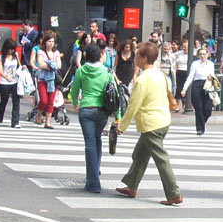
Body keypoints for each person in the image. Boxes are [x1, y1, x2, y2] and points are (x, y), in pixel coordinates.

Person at [114, 42, 182, 206]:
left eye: (137, 55)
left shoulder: (142, 80)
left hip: (151, 124)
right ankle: (131, 185)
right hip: (162, 120)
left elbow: (133, 106)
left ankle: (174, 193)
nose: (135, 58)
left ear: (144, 58)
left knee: (160, 159)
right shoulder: (160, 75)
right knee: (140, 154)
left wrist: (121, 126)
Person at [69, 43, 112, 193]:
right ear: (100, 55)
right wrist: (118, 115)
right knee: (97, 139)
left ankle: (93, 182)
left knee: (90, 144)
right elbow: (114, 92)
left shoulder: (81, 71)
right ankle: (96, 169)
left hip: (86, 109)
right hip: (102, 111)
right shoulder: (107, 72)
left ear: (86, 56)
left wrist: (75, 103)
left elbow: (74, 91)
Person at [182, 46, 216, 135]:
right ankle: (200, 128)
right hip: (197, 85)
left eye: (204, 54)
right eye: (200, 54)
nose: (202, 56)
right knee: (199, 107)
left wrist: (211, 77)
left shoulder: (211, 64)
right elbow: (190, 77)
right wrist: (184, 89)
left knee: (208, 108)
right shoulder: (195, 64)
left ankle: (202, 122)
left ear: (208, 54)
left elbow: (213, 75)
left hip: (208, 85)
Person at [31, 31, 58, 129]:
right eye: (49, 41)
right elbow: (40, 64)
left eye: (52, 41)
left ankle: (47, 122)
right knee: (44, 100)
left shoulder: (56, 53)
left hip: (53, 79)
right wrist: (51, 65)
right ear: (45, 42)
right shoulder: (40, 52)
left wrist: (49, 65)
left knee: (51, 101)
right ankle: (38, 114)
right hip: (42, 79)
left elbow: (58, 65)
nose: (51, 43)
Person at [0, 38, 21, 128]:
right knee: (4, 100)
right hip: (4, 82)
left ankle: (15, 122)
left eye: (13, 49)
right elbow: (0, 70)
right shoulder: (1, 58)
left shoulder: (16, 56)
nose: (12, 51)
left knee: (16, 101)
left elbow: (19, 66)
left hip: (15, 81)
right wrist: (6, 77)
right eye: (10, 49)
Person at [174, 38, 190, 113]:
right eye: (183, 46)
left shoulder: (192, 53)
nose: (184, 48)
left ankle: (185, 104)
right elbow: (171, 56)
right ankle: (177, 105)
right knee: (178, 88)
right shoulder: (179, 53)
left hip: (187, 72)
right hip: (180, 71)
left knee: (186, 88)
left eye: (186, 46)